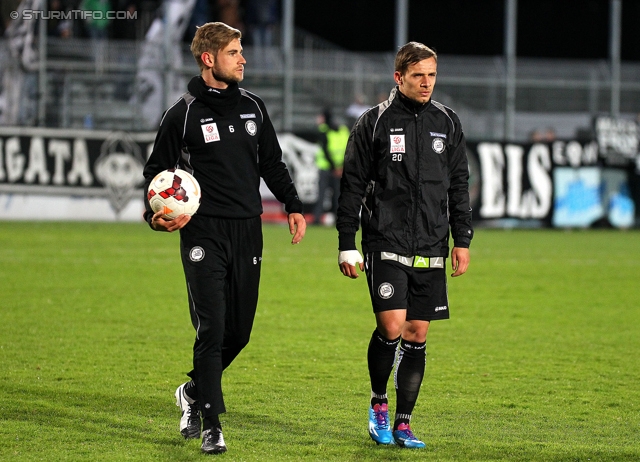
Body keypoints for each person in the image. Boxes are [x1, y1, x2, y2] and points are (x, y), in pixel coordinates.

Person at [142, 22, 306, 455]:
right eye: (234, 52)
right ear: (208, 58)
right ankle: (211, 424)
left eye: (241, 50)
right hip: (203, 232)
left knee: (240, 332)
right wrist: (153, 216)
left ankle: (193, 391)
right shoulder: (183, 112)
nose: (243, 58)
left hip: (247, 231)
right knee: (212, 327)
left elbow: (272, 162)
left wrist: (292, 204)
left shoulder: (254, 107)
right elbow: (155, 175)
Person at [336, 42, 473, 449]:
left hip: (432, 242)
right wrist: (347, 243)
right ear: (399, 78)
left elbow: (459, 185)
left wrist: (461, 239)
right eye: (418, 75)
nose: (427, 82)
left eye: (432, 75)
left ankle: (404, 422)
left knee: (416, 332)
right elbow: (352, 186)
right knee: (392, 326)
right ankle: (379, 403)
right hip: (385, 240)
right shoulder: (374, 123)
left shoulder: (447, 122)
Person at [313, 109, 349, 225]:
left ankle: (317, 219)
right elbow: (349, 149)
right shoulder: (344, 131)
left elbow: (325, 151)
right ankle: (339, 219)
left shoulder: (324, 130)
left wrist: (335, 167)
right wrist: (340, 167)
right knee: (338, 195)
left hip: (327, 168)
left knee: (322, 194)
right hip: (339, 168)